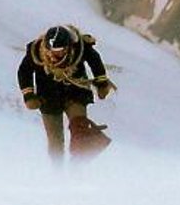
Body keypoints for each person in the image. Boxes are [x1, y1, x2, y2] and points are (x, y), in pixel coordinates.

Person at [17, 24, 115, 160]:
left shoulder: (80, 48)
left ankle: (78, 165)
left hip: (75, 93)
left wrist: (101, 83)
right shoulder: (36, 53)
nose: (58, 53)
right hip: (48, 98)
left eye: (62, 49)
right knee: (55, 140)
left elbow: (95, 61)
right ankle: (57, 173)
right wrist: (28, 94)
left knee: (80, 128)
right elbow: (24, 71)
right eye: (54, 49)